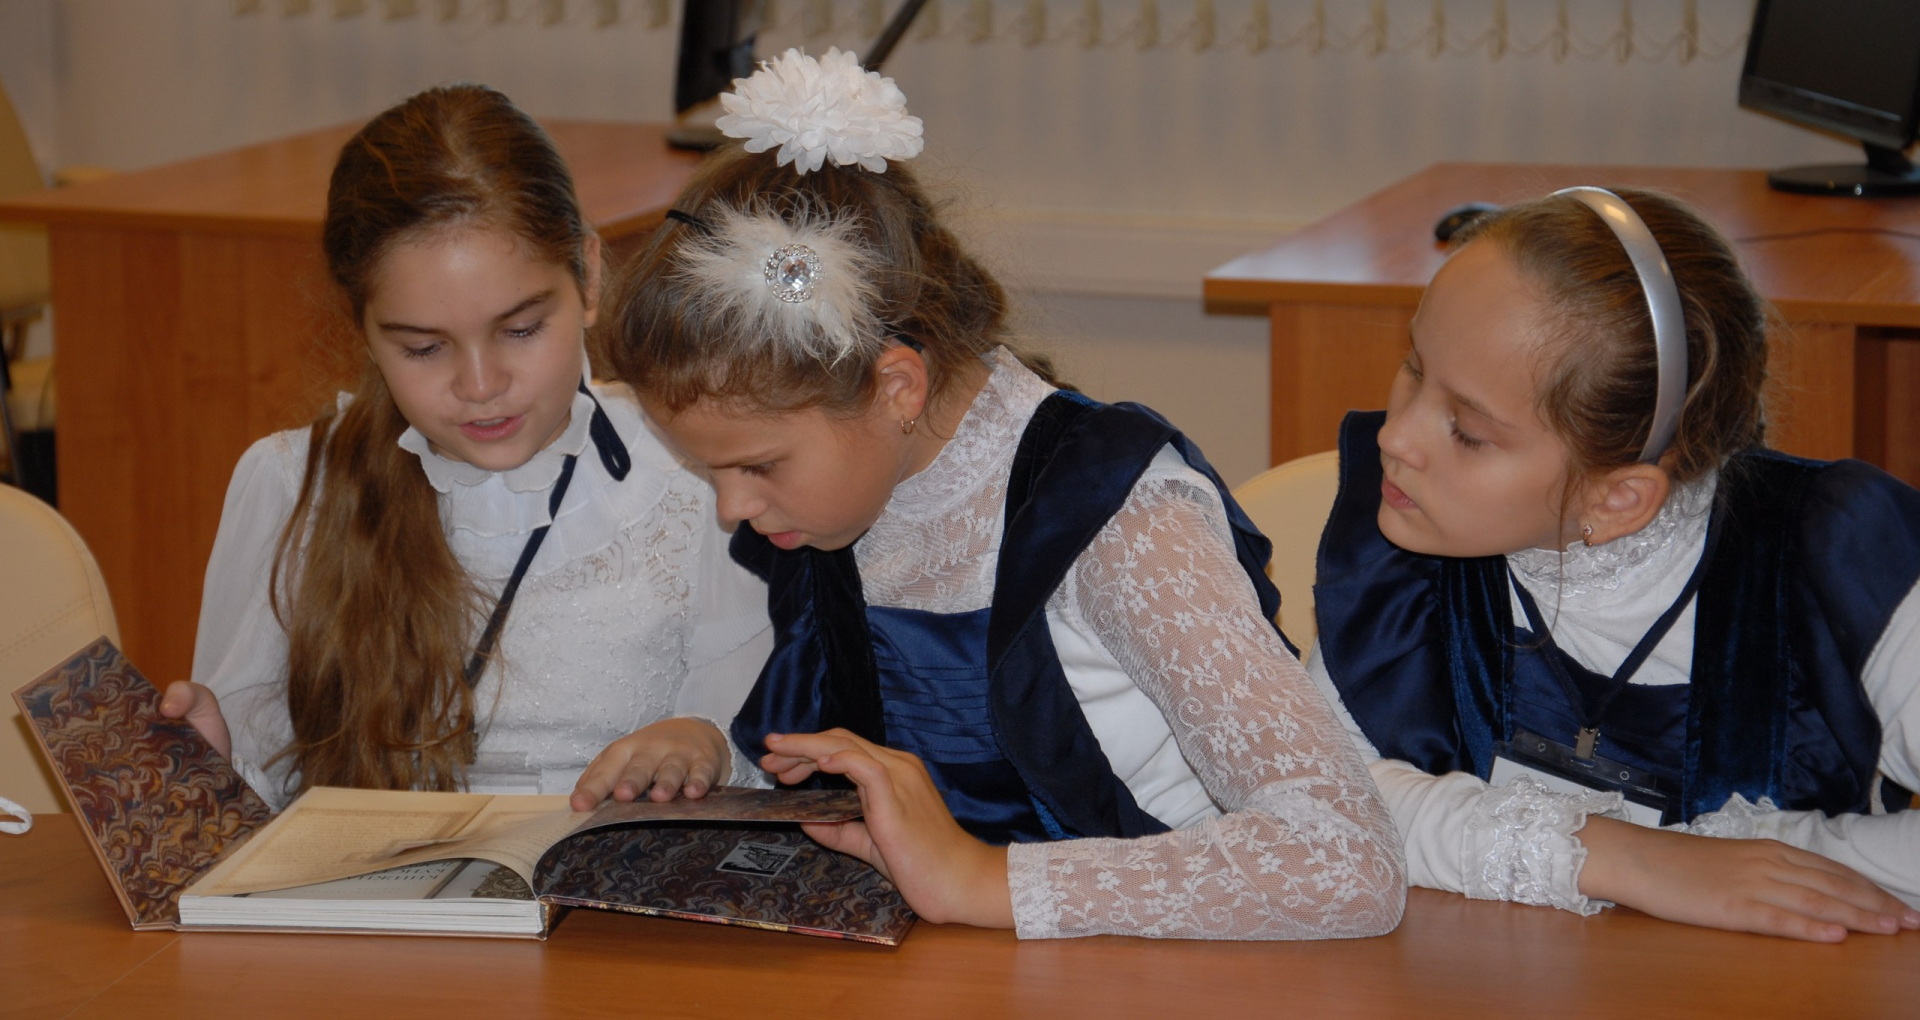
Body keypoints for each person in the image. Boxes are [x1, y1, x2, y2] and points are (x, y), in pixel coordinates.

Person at [602, 47, 1405, 940]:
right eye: (709, 471)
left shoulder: (1116, 516)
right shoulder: (843, 493)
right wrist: (716, 750)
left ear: (897, 387)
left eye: (756, 466)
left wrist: (981, 881)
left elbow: (1348, 862)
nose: (732, 511)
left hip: (1171, 969)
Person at [1305, 185, 1920, 942]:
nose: (1395, 437)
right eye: (1413, 365)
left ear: (1619, 498)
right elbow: (1308, 791)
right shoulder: (1402, 547)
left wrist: (1782, 852)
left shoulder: (1838, 559)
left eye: (1465, 430)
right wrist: (1628, 858)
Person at [161, 84, 771, 812]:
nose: (481, 387)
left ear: (588, 277)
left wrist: (705, 742)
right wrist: (214, 770)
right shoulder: (294, 486)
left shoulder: (700, 474)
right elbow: (253, 800)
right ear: (366, 332)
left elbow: (755, 740)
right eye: (423, 348)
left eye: (520, 330)